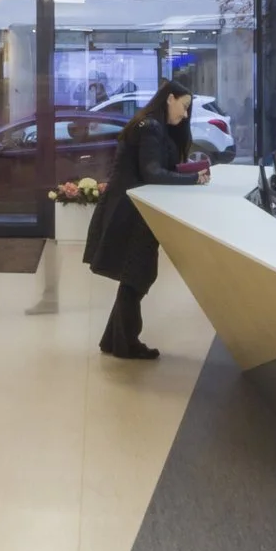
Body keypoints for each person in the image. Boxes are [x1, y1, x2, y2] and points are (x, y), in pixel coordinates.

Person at [83, 80, 204, 359]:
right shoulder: (150, 127)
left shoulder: (152, 126)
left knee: (133, 275)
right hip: (132, 211)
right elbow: (152, 172)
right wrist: (192, 178)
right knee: (137, 275)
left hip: (131, 208)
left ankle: (114, 341)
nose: (185, 115)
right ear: (169, 98)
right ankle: (126, 344)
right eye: (184, 107)